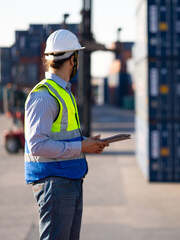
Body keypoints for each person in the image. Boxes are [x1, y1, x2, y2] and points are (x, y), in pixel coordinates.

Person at [24, 29, 108, 240]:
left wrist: (85, 143)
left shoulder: (63, 91)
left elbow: (60, 136)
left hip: (69, 180)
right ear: (73, 59)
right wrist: (80, 147)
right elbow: (37, 145)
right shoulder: (44, 95)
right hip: (55, 185)